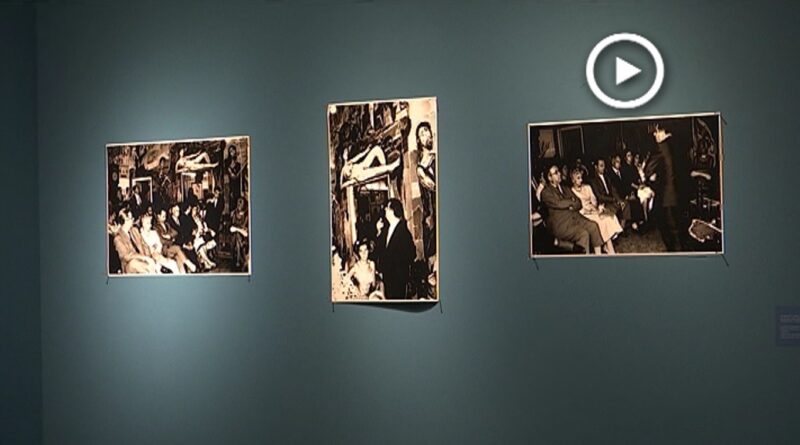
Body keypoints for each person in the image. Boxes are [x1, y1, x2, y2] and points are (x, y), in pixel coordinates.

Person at [539, 165, 603, 254]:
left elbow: (579, 203)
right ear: (549, 178)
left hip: (576, 218)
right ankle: (584, 259)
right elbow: (559, 203)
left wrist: (569, 204)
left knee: (593, 226)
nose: (559, 174)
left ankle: (598, 256)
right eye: (556, 173)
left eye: (559, 171)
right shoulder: (546, 192)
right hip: (562, 225)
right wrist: (571, 201)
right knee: (583, 234)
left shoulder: (566, 188)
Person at [646, 124, 682, 251]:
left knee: (669, 231)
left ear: (662, 132)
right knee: (678, 231)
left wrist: (652, 175)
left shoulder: (661, 148)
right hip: (678, 194)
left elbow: (648, 170)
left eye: (656, 132)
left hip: (666, 198)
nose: (654, 135)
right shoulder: (676, 144)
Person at [570, 169, 621, 253]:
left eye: (581, 177)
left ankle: (607, 247)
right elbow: (577, 207)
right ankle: (609, 249)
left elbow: (594, 200)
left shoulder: (587, 187)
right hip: (583, 214)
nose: (581, 180)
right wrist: (587, 210)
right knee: (601, 222)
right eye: (578, 178)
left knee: (609, 218)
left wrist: (595, 207)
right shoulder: (572, 191)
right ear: (573, 180)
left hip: (593, 210)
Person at [375, 199, 416, 299]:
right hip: (388, 277)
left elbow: (412, 254)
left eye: (388, 208)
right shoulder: (387, 228)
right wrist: (379, 231)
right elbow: (381, 250)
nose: (385, 209)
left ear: (394, 211)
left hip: (398, 279)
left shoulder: (403, 232)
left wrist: (397, 266)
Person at [113, 209, 157, 274]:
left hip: (142, 259)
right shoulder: (118, 238)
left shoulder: (134, 230)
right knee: (135, 264)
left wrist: (149, 257)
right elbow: (126, 256)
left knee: (156, 258)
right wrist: (144, 258)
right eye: (131, 218)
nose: (133, 220)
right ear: (125, 221)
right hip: (131, 265)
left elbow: (144, 245)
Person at [589, 158, 629, 227]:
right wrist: (613, 199)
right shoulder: (593, 180)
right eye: (601, 166)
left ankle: (622, 228)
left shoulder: (607, 177)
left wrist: (619, 200)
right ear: (596, 167)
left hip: (612, 201)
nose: (603, 168)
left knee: (625, 204)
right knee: (613, 210)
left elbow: (613, 190)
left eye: (604, 165)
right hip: (604, 203)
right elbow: (599, 197)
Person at [155, 208, 196, 273]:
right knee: (178, 248)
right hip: (165, 250)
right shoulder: (156, 227)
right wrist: (172, 240)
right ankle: (188, 263)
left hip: (172, 248)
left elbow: (175, 232)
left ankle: (183, 274)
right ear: (158, 216)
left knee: (178, 258)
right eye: (163, 216)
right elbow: (162, 241)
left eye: (165, 216)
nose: (165, 218)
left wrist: (169, 236)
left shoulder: (167, 224)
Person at [230, 197, 249, 271]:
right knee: (236, 236)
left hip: (243, 236)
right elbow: (231, 227)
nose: (239, 206)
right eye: (238, 204)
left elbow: (245, 231)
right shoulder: (234, 213)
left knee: (237, 236)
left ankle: (237, 260)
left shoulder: (246, 216)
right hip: (235, 235)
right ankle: (238, 260)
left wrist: (238, 229)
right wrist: (236, 229)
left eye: (241, 204)